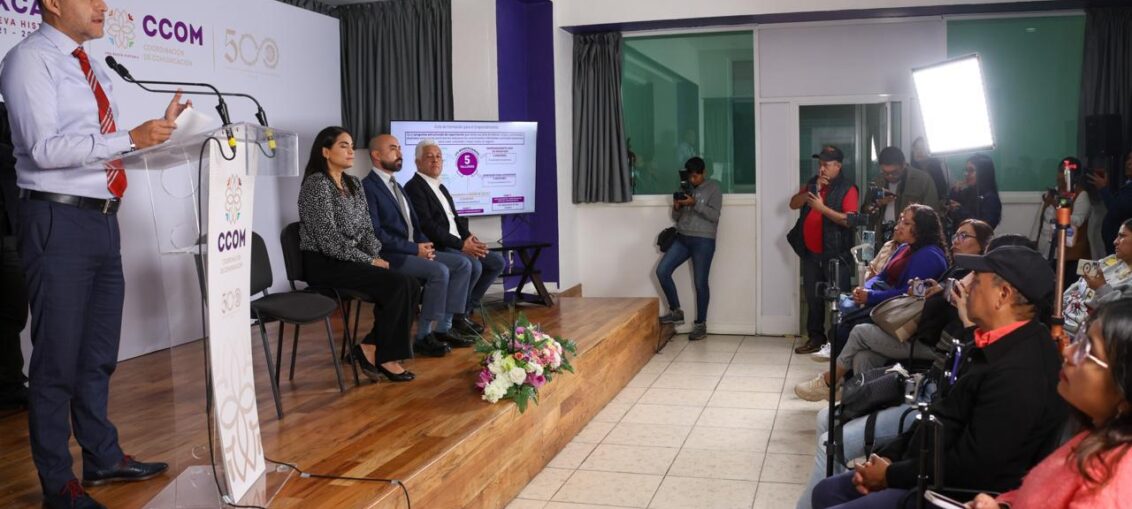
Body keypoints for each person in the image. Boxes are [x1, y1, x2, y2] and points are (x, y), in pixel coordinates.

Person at [0, 1, 189, 505]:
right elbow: (44, 149)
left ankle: (102, 456)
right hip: (57, 219)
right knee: (57, 361)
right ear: (53, 4)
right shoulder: (28, 60)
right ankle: (57, 484)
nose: (103, 5)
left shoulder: (94, 65)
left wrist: (158, 135)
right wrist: (129, 137)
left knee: (98, 354)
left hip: (104, 220)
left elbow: (101, 146)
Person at [811, 246, 1067, 509]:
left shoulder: (1021, 372)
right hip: (924, 469)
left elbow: (972, 466)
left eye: (977, 281)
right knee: (827, 492)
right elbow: (941, 415)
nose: (967, 286)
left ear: (1003, 294)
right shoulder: (990, 342)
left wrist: (890, 475)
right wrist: (889, 457)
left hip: (952, 492)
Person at [794, 219, 991, 401]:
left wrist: (940, 292)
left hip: (932, 345)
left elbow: (957, 310)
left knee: (859, 332)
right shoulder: (954, 269)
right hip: (919, 335)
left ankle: (828, 381)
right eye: (956, 235)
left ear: (982, 244)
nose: (956, 240)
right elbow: (888, 280)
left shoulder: (974, 278)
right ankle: (858, 404)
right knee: (864, 356)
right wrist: (927, 290)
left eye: (964, 236)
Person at [966, 299, 1132, 509]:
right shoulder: (1095, 436)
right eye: (1080, 339)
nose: (1068, 352)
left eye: (1088, 351)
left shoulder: (1111, 483)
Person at [297, 127, 420, 383]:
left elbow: (366, 230)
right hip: (325, 263)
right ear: (325, 152)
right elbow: (328, 241)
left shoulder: (352, 183)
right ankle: (385, 357)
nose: (351, 151)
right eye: (344, 145)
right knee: (397, 284)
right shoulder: (316, 184)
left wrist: (375, 255)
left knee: (410, 282)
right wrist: (369, 260)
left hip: (351, 259)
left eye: (352, 145)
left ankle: (371, 347)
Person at [364, 134, 473, 355]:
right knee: (439, 271)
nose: (399, 153)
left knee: (462, 264)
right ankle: (424, 335)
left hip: (413, 250)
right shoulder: (368, 187)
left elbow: (415, 226)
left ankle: (444, 328)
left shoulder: (397, 185)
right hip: (392, 255)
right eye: (393, 148)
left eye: (399, 148)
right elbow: (376, 234)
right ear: (376, 155)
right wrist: (415, 249)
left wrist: (425, 246)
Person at [812, 204, 948, 363]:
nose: (899, 226)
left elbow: (907, 295)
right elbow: (881, 276)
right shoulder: (904, 247)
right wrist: (864, 289)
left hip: (902, 314)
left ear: (922, 228)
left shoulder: (930, 256)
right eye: (900, 220)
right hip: (886, 301)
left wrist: (870, 296)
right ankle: (841, 374)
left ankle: (836, 375)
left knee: (844, 329)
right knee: (841, 322)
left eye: (906, 223)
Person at [403, 139, 504, 333]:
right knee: (473, 265)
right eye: (429, 157)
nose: (435, 160)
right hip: (441, 246)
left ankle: (464, 310)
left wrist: (470, 239)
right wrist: (461, 246)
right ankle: (452, 320)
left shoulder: (441, 187)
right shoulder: (414, 187)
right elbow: (428, 227)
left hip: (458, 243)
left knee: (496, 262)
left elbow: (455, 220)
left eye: (438, 156)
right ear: (417, 162)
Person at [790, 145, 860, 355]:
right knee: (813, 299)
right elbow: (793, 204)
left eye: (826, 165)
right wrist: (811, 192)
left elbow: (849, 220)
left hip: (836, 255)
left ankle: (837, 343)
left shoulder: (848, 188)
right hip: (811, 253)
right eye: (820, 164)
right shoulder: (814, 183)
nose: (822, 169)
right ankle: (815, 338)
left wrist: (822, 209)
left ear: (838, 166)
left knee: (840, 301)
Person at [656, 157, 722, 341]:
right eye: (690, 176)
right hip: (683, 237)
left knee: (700, 283)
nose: (693, 180)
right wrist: (677, 207)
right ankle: (676, 311)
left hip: (703, 240)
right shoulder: (686, 187)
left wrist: (695, 203)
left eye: (696, 176)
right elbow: (676, 217)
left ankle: (701, 325)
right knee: (662, 271)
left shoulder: (714, 188)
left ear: (703, 172)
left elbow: (715, 215)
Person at [0, 102, 28, 410]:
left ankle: (10, 385)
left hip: (11, 226)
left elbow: (26, 153)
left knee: (13, 311)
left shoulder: (7, 112)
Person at [1063, 218, 1132, 336]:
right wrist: (1059, 306)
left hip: (1085, 334)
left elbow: (1121, 318)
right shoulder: (1111, 260)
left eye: (1122, 236)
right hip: (1063, 319)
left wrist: (1102, 287)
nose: (1115, 241)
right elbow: (1078, 285)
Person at [864, 147, 941, 244]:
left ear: (904, 164)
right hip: (881, 239)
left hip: (911, 240)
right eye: (885, 173)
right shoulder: (877, 182)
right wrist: (877, 204)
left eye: (894, 172)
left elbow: (932, 215)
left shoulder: (922, 180)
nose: (890, 176)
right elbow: (866, 212)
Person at [1038, 157, 1092, 289]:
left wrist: (1055, 204)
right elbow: (1044, 221)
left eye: (1065, 172)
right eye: (1060, 171)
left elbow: (1077, 221)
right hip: (1047, 252)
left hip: (1071, 256)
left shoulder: (1081, 195)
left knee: (1067, 292)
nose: (1060, 175)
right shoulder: (1053, 192)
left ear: (1075, 175)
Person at [1090, 149, 1132, 253]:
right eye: (1128, 158)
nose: (1129, 162)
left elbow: (1117, 209)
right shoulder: (1127, 185)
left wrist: (1103, 189)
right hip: (1115, 246)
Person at [946, 154, 1001, 229]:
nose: (966, 174)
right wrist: (955, 190)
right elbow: (949, 209)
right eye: (966, 170)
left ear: (983, 173)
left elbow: (985, 227)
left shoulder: (991, 198)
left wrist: (960, 210)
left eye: (971, 170)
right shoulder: (967, 192)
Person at [910, 137, 948, 202]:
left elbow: (945, 191)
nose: (919, 151)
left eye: (923, 148)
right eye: (916, 148)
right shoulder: (910, 171)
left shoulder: (941, 167)